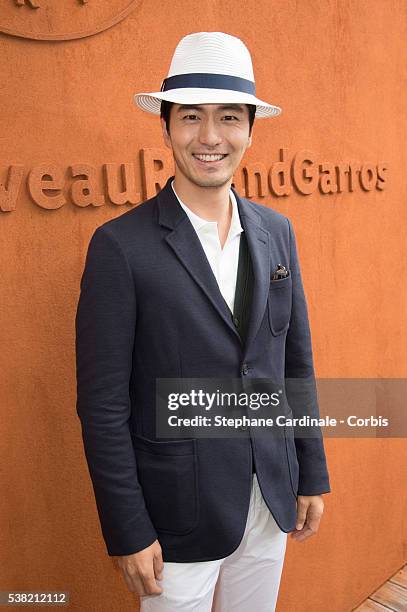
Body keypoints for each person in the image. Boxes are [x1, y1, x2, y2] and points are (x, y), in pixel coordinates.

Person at [75, 31, 331, 611]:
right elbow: (103, 404)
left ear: (249, 130)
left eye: (229, 118)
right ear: (165, 127)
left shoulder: (277, 232)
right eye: (191, 116)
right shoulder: (120, 247)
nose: (210, 137)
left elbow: (295, 364)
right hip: (176, 518)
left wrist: (310, 469)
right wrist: (128, 528)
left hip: (271, 496)